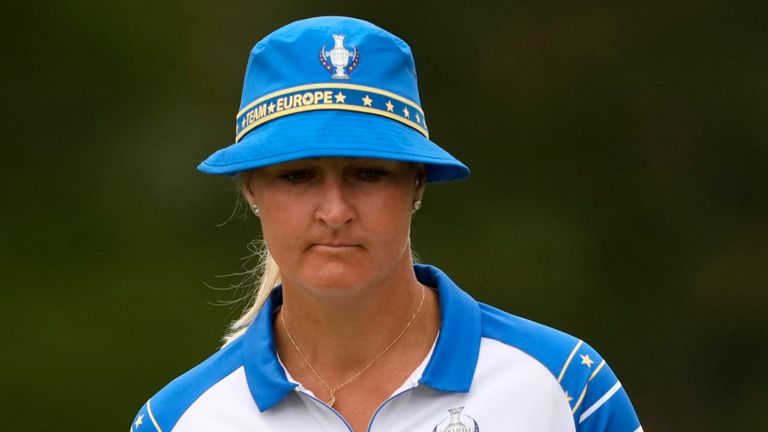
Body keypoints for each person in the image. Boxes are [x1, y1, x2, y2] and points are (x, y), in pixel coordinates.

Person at [130, 16, 642, 432]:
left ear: (417, 185)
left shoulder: (565, 387)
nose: (335, 211)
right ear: (251, 189)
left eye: (368, 174)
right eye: (298, 176)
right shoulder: (179, 420)